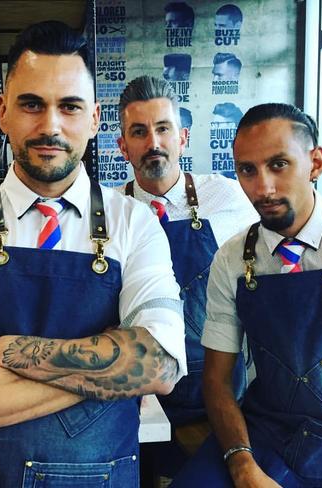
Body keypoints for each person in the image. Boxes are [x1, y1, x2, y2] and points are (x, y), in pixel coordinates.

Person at [0, 21, 187, 487]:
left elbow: (158, 364)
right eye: (32, 104)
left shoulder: (134, 224)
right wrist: (110, 369)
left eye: (70, 107)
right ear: (3, 112)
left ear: (95, 120)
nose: (50, 125)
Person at [172, 103, 322, 487]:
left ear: (316, 162)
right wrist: (242, 465)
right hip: (271, 437)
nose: (263, 188)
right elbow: (218, 381)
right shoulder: (231, 260)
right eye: (247, 170)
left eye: (279, 165)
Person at [117, 75, 256, 484]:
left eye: (163, 129)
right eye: (139, 132)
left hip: (218, 397)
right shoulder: (108, 213)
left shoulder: (231, 200)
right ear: (123, 146)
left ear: (183, 136)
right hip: (136, 400)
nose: (153, 143)